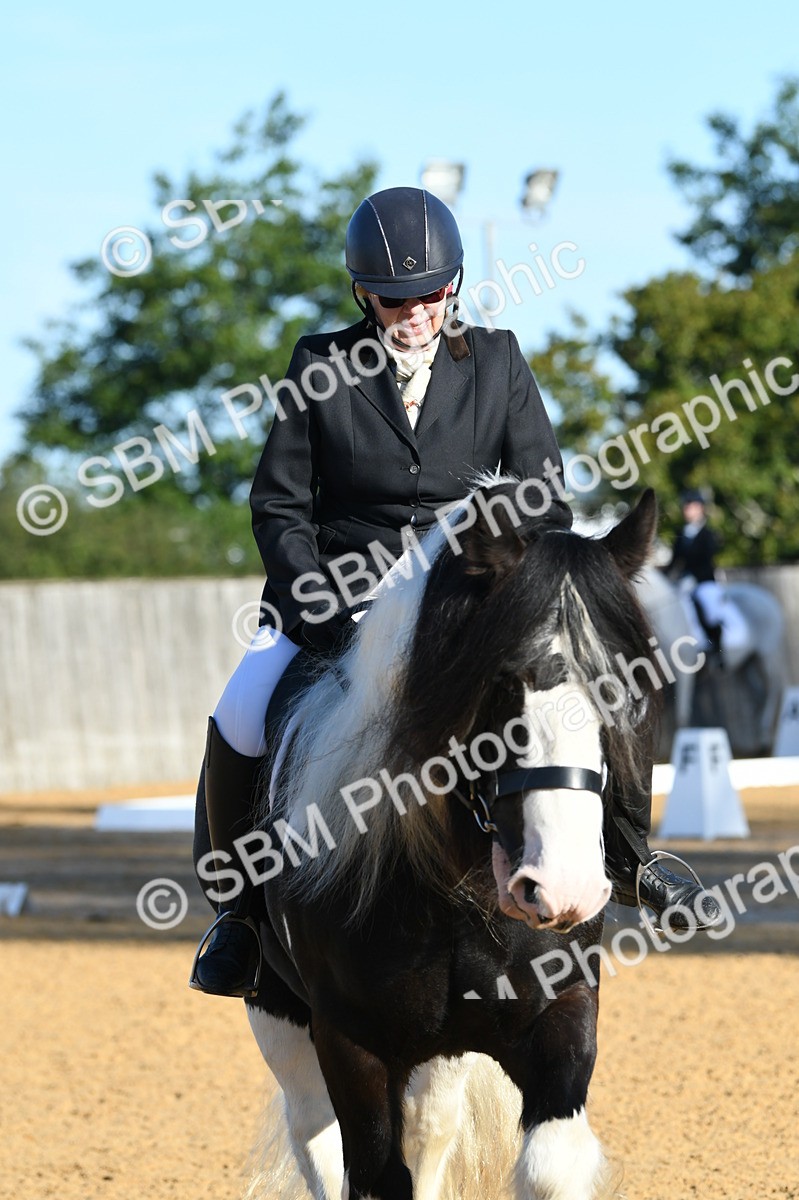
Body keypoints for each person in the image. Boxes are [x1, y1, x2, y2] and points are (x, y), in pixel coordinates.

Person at [190, 186, 720, 998]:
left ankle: (634, 858)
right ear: (362, 293)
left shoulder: (498, 360)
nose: (415, 313)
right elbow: (279, 507)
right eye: (396, 298)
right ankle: (238, 914)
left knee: (598, 694)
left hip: (466, 601)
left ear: (455, 286)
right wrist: (324, 602)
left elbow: (544, 496)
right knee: (240, 712)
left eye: (432, 295)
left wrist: (491, 573)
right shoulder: (319, 366)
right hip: (340, 600)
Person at [668, 489, 724, 657]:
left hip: (704, 581)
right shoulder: (680, 533)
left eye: (690, 506)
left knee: (707, 607)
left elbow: (707, 559)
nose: (686, 509)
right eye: (685, 506)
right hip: (685, 581)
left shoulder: (709, 534)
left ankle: (717, 648)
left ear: (700, 508)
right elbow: (674, 561)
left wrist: (693, 577)